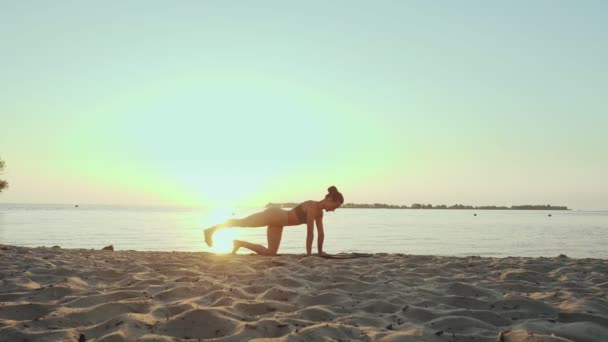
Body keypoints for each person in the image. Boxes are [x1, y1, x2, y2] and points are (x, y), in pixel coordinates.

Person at [204, 186, 344, 256]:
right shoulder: (312, 207)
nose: (334, 209)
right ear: (330, 199)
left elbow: (321, 234)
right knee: (243, 222)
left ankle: (239, 243)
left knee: (271, 253)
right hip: (274, 215)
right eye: (335, 206)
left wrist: (320, 252)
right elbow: (310, 233)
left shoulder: (319, 213)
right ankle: (212, 230)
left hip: (279, 223)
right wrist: (308, 255)